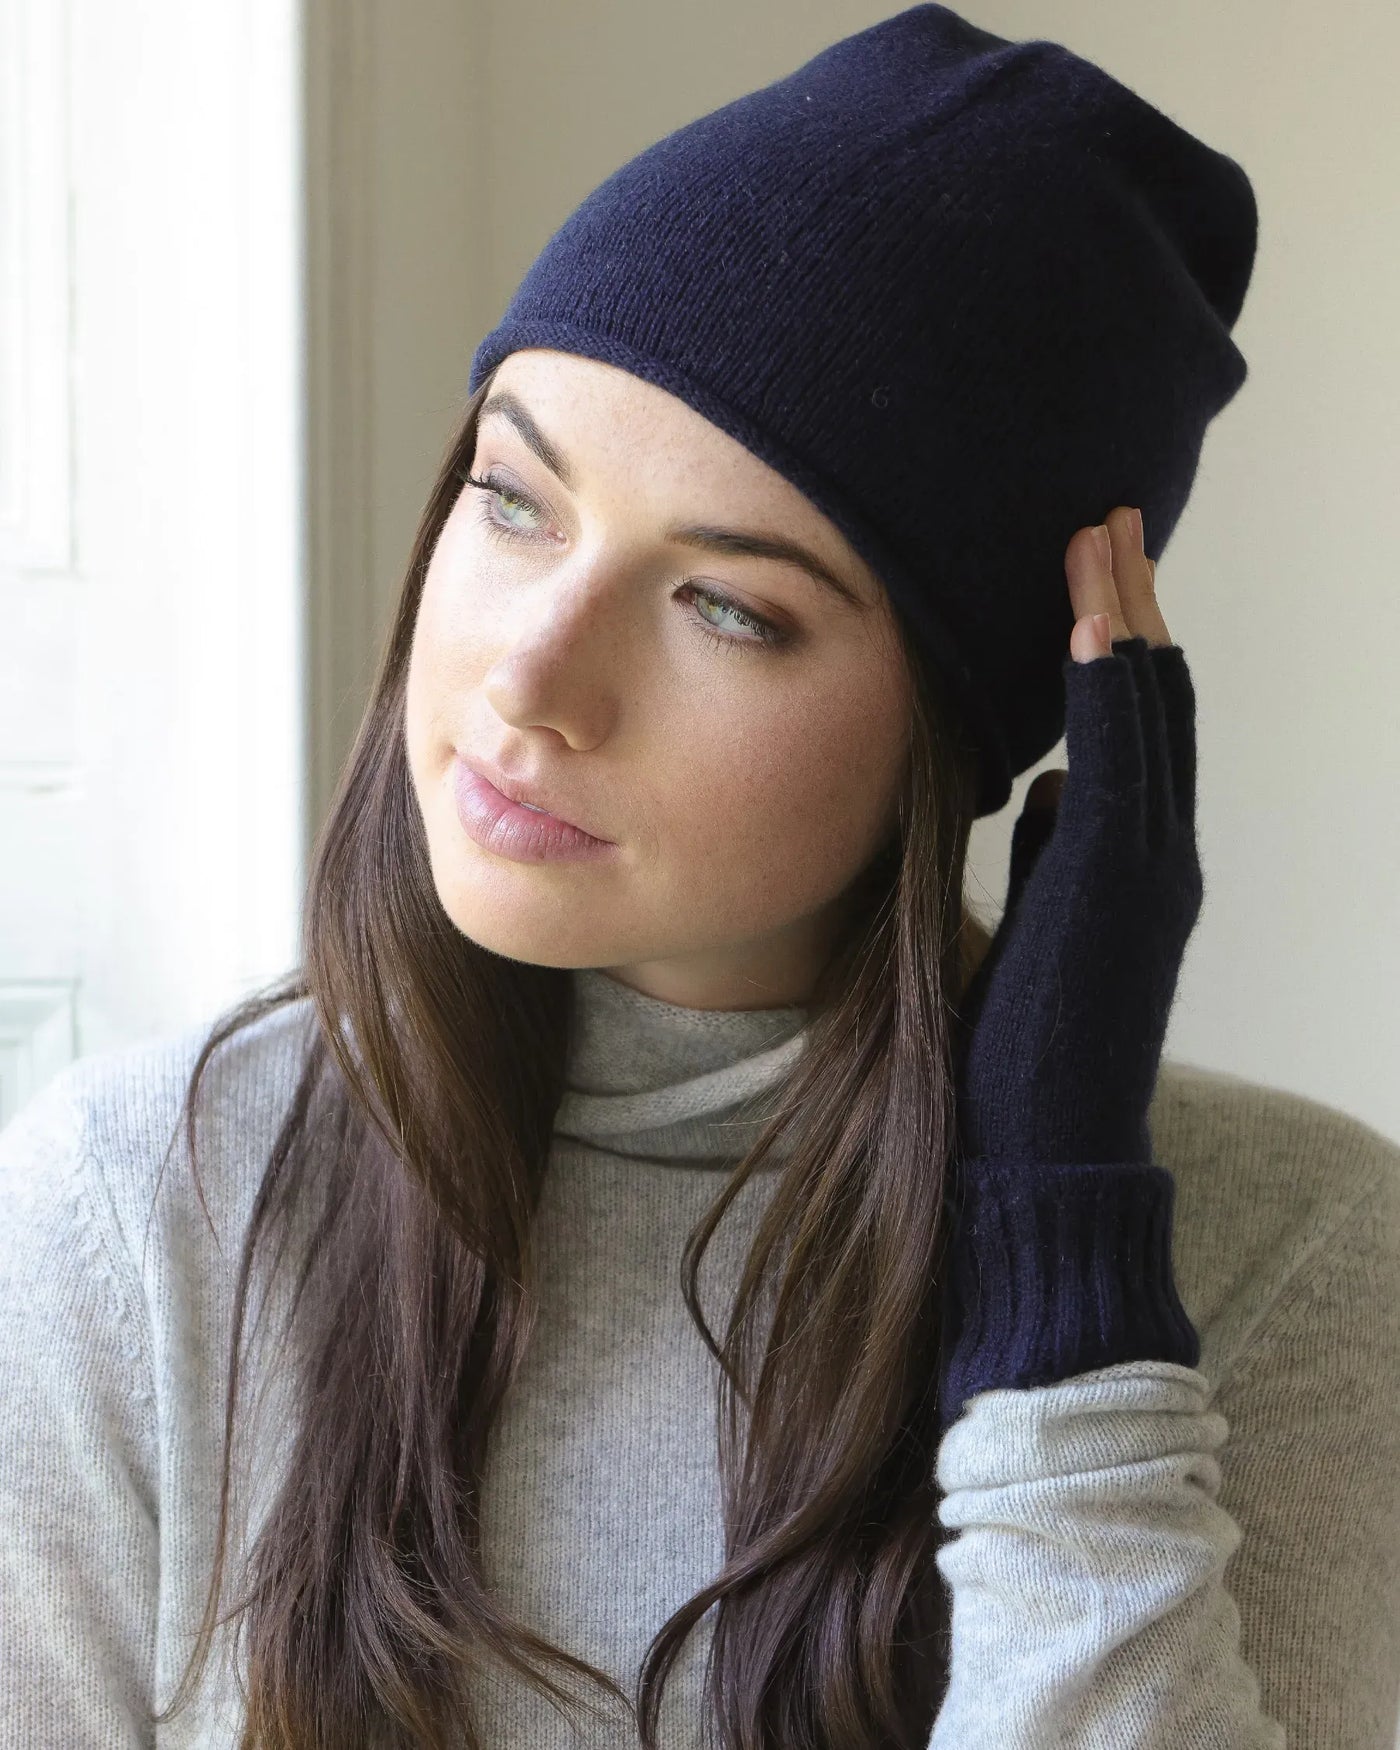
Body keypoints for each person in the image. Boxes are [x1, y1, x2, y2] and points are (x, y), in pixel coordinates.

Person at [3, 8, 1399, 1749]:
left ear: (961, 729)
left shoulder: (1292, 1245)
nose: (529, 680)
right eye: (515, 501)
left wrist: (1064, 1282)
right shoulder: (143, 1216)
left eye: (728, 606)